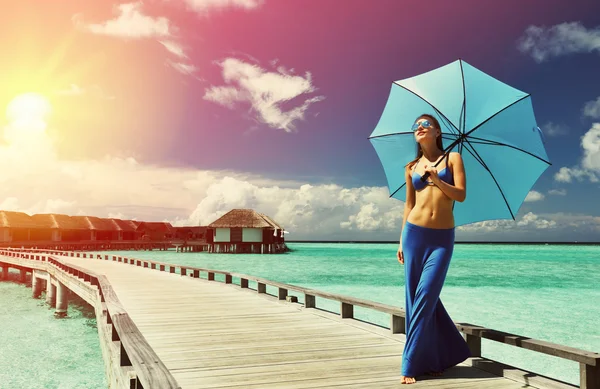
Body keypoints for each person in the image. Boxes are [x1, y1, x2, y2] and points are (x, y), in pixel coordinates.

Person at [397, 114, 471, 384]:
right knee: (414, 298)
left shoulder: (453, 159)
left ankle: (411, 362)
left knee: (427, 294)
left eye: (425, 124)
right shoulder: (411, 166)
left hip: (441, 238)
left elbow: (461, 195)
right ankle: (436, 357)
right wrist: (401, 240)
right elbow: (408, 204)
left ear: (438, 132)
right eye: (415, 125)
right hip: (414, 234)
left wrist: (437, 180)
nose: (419, 128)